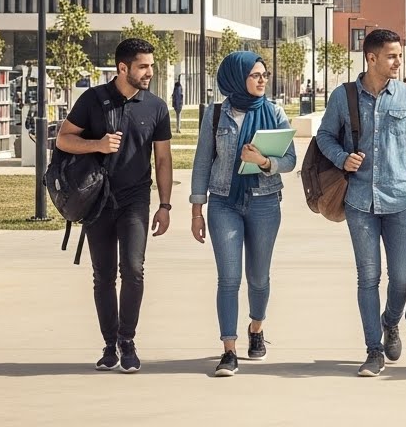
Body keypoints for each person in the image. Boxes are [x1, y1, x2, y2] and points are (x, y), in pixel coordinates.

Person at [315, 29, 406, 377]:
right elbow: (324, 135)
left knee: (400, 279)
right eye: (392, 56)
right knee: (368, 276)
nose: (398, 61)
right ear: (371, 58)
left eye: (400, 55)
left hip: (399, 200)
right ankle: (373, 349)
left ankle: (391, 321)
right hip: (359, 202)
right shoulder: (344, 96)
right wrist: (342, 158)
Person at [55, 38, 173, 374]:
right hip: (98, 200)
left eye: (151, 65)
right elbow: (64, 138)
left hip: (135, 199)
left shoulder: (156, 107)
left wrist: (165, 205)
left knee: (133, 271)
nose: (150, 71)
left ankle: (127, 340)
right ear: (123, 68)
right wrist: (97, 144)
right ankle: (109, 345)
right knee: (103, 275)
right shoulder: (93, 100)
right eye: (143, 66)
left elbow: (163, 159)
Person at [190, 52, 297, 376]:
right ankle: (229, 350)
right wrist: (197, 210)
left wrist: (265, 162)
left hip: (265, 201)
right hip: (224, 203)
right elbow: (201, 163)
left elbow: (290, 160)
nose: (262, 79)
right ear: (237, 78)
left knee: (258, 278)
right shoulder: (215, 114)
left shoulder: (274, 112)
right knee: (229, 278)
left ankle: (256, 328)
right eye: (255, 75)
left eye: (264, 74)